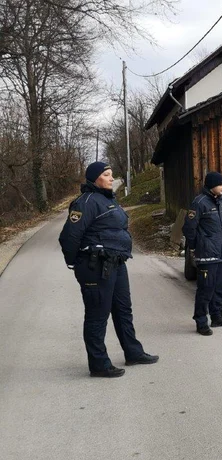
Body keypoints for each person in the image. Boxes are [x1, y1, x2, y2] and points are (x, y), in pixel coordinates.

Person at [59, 161, 158, 378]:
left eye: (112, 174)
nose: (112, 178)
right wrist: (78, 263)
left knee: (123, 310)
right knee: (97, 315)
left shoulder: (108, 199)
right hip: (96, 266)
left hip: (116, 263)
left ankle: (133, 352)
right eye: (106, 174)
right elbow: (69, 237)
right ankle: (99, 364)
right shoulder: (85, 203)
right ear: (95, 178)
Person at [182, 171, 222, 336]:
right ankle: (201, 322)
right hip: (206, 254)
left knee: (219, 288)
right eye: (221, 184)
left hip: (220, 254)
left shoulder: (219, 202)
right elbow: (188, 228)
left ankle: (217, 316)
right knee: (205, 290)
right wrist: (196, 246)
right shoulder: (199, 203)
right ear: (212, 185)